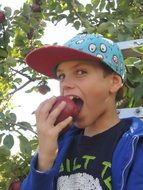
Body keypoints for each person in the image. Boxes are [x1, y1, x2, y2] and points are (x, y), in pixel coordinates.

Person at [21, 33, 143, 190]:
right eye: (61, 76)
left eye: (80, 72)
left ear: (113, 82)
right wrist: (45, 159)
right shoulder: (59, 144)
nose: (66, 84)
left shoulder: (136, 148)